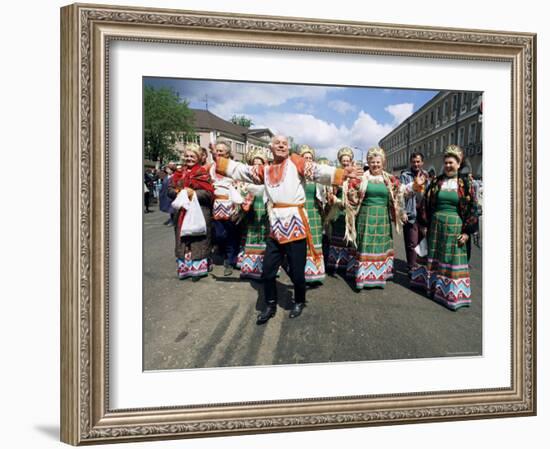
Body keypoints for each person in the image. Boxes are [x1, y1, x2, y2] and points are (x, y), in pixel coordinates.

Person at [215, 135, 360, 324]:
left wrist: (341, 173)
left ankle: (299, 300)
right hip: (275, 227)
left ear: (289, 147)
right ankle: (270, 305)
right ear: (271, 148)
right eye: (277, 143)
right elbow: (243, 171)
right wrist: (219, 161)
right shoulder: (265, 170)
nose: (281, 145)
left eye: (285, 143)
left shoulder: (296, 162)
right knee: (267, 271)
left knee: (298, 273)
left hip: (295, 225)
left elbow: (317, 170)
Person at [411, 145, 479, 310]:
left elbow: (472, 208)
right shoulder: (437, 181)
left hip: (455, 228)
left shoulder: (466, 183)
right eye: (446, 162)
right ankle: (433, 288)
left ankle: (450, 295)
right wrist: (425, 224)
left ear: (459, 163)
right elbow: (426, 203)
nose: (448, 165)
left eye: (451, 162)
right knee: (434, 257)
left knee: (451, 259)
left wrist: (467, 232)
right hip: (435, 227)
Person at [345, 147, 402, 289]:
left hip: (383, 219)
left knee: (380, 246)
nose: (375, 165)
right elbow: (350, 194)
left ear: (383, 163)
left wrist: (413, 187)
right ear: (368, 163)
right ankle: (362, 277)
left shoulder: (389, 179)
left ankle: (378, 276)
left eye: (378, 162)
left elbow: (399, 194)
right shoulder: (361, 179)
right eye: (372, 162)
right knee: (365, 244)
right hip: (365, 217)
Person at [168, 143, 214, 282]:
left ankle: (198, 269)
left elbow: (208, 194)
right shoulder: (178, 173)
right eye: (187, 156)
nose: (189, 158)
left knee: (197, 238)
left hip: (199, 211)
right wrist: (178, 192)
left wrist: (193, 193)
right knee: (183, 240)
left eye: (192, 156)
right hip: (181, 212)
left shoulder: (202, 173)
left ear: (199, 157)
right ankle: (185, 269)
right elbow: (169, 190)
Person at [208, 139, 244, 276]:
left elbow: (241, 186)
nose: (218, 153)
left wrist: (238, 207)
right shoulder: (211, 167)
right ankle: (224, 252)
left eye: (221, 151)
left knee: (232, 234)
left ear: (228, 154)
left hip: (231, 205)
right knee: (219, 234)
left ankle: (230, 260)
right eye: (216, 151)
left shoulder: (234, 167)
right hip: (216, 206)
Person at [238, 148, 270, 279]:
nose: (257, 165)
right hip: (251, 210)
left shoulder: (268, 177)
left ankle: (265, 268)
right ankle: (250, 268)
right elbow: (241, 192)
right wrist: (244, 195)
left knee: (265, 235)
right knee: (251, 234)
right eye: (254, 163)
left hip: (265, 210)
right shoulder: (247, 178)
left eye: (260, 163)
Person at [298, 144, 326, 285]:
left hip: (314, 212)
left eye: (310, 157)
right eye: (305, 157)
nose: (308, 159)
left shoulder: (317, 176)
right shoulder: (296, 174)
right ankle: (300, 271)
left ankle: (315, 272)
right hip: (299, 210)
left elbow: (322, 196)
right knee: (300, 241)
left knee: (314, 241)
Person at [399, 152, 429, 277]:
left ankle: (421, 267)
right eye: (414, 162)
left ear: (422, 162)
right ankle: (412, 267)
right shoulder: (405, 175)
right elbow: (400, 195)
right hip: (410, 213)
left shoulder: (426, 175)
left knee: (423, 241)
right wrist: (403, 211)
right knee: (411, 242)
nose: (416, 164)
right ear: (411, 162)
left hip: (423, 214)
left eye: (418, 161)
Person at [325, 147, 355, 273]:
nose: (346, 162)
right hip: (337, 210)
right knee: (336, 235)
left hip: (350, 211)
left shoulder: (355, 176)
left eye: (348, 160)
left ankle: (347, 263)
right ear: (340, 161)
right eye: (344, 160)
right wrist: (335, 200)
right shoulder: (336, 175)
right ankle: (334, 263)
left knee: (348, 236)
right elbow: (330, 193)